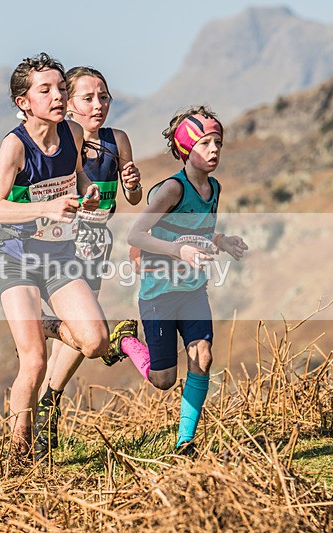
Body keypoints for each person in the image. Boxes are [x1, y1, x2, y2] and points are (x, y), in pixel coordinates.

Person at [0, 53, 111, 465]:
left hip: (58, 254)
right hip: (16, 255)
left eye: (61, 88)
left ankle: (44, 324)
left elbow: (78, 174)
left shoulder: (72, 132)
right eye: (46, 90)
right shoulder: (15, 146)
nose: (58, 96)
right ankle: (19, 456)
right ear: (24, 102)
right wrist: (46, 208)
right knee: (35, 360)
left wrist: (88, 191)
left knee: (96, 342)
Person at [36, 66, 149, 461]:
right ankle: (49, 396)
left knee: (73, 337)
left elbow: (132, 199)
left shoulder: (119, 140)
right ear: (69, 104)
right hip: (64, 238)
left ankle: (46, 412)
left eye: (104, 97)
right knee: (87, 325)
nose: (98, 105)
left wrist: (132, 184)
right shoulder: (63, 138)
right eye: (88, 98)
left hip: (98, 240)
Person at [119, 106, 248, 451]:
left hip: (192, 291)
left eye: (218, 142)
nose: (214, 149)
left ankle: (184, 442)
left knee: (202, 357)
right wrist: (178, 251)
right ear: (186, 148)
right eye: (205, 143)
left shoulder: (214, 188)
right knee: (163, 379)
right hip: (159, 295)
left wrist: (222, 242)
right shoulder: (172, 190)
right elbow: (135, 234)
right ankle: (126, 342)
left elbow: (198, 232)